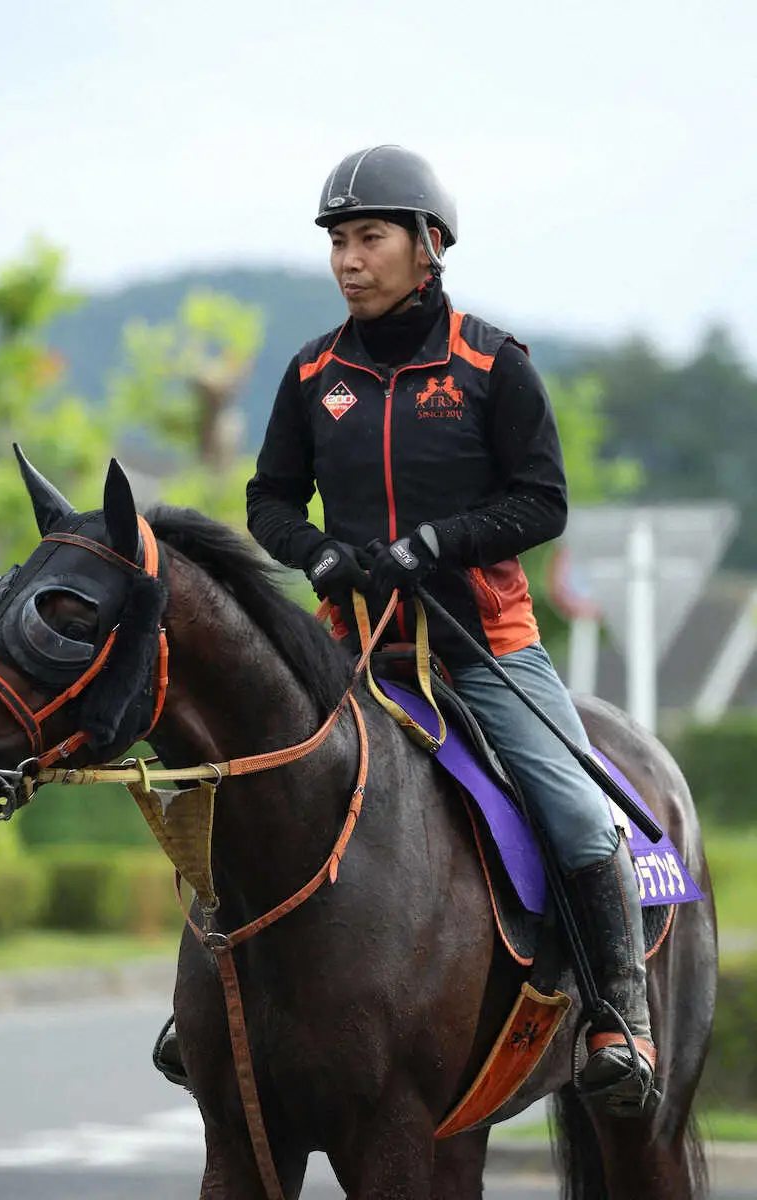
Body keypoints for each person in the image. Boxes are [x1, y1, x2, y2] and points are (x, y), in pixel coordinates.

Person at [241, 144, 655, 1115]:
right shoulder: (312, 374)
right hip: (345, 651)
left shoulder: (491, 364)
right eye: (338, 241)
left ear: (428, 245)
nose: (349, 258)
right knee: (243, 793)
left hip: (484, 647)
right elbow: (266, 500)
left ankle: (618, 1017)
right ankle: (208, 1010)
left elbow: (541, 502)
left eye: (369, 237)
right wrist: (314, 552)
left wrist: (433, 543)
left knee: (576, 813)